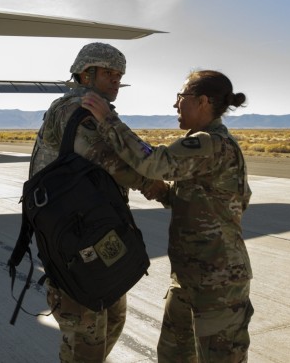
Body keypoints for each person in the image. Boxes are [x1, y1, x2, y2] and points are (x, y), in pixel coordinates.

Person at [81, 69, 254, 362]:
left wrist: (109, 122)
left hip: (219, 285)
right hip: (187, 280)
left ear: (202, 102)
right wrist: (164, 192)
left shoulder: (210, 143)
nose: (175, 105)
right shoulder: (207, 146)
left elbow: (153, 162)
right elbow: (217, 201)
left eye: (181, 97)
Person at [30, 42, 166, 362]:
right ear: (85, 73)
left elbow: (127, 150)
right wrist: (156, 187)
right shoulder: (73, 110)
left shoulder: (95, 110)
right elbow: (111, 161)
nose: (116, 79)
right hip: (74, 241)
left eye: (119, 74)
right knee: (86, 335)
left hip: (93, 231)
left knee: (111, 319)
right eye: (108, 73)